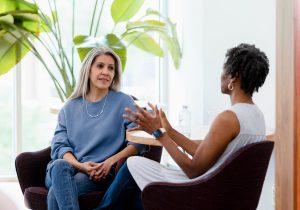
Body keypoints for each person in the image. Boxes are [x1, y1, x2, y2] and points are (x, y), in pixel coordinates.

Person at [94, 43, 270, 210]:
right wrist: (169, 130)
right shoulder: (256, 115)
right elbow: (202, 153)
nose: (221, 74)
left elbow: (193, 169)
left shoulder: (228, 119)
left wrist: (158, 133)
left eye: (225, 69)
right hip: (222, 191)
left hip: (202, 192)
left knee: (133, 164)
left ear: (234, 76)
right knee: (135, 192)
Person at [45, 47, 147, 210]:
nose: (106, 71)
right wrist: (81, 166)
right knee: (58, 166)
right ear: (88, 69)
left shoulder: (124, 102)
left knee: (54, 194)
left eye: (111, 68)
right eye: (100, 66)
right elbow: (59, 147)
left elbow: (139, 143)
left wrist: (109, 162)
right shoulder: (69, 107)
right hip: (67, 169)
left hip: (98, 174)